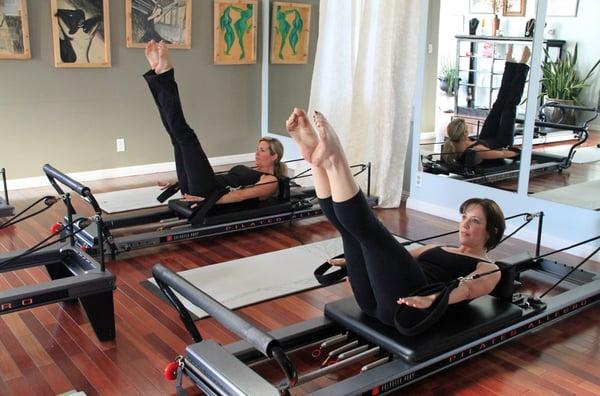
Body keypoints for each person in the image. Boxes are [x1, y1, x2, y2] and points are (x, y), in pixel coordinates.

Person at [286, 108, 503, 327]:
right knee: (352, 235)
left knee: (371, 233)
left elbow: (467, 290)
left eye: (474, 220)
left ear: (491, 231)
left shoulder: (489, 267)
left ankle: (335, 155)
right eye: (464, 216)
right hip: (374, 303)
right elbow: (394, 259)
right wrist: (356, 259)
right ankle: (316, 159)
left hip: (409, 306)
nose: (464, 223)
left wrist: (431, 299)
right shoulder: (441, 246)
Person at [143, 40, 287, 204]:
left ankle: (164, 75)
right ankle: (158, 76)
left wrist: (209, 201)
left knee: (184, 136)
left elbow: (241, 195)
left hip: (208, 194)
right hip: (201, 187)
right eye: (257, 149)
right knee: (175, 137)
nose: (256, 153)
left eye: (262, 150)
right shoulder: (254, 172)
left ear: (274, 156)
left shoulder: (271, 181)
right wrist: (178, 184)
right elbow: (219, 179)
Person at [442, 46, 531, 167]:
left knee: (498, 105)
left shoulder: (454, 143)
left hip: (486, 138)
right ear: (464, 134)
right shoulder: (477, 151)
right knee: (509, 106)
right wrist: (520, 153)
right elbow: (503, 154)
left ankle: (510, 65)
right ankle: (523, 64)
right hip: (502, 142)